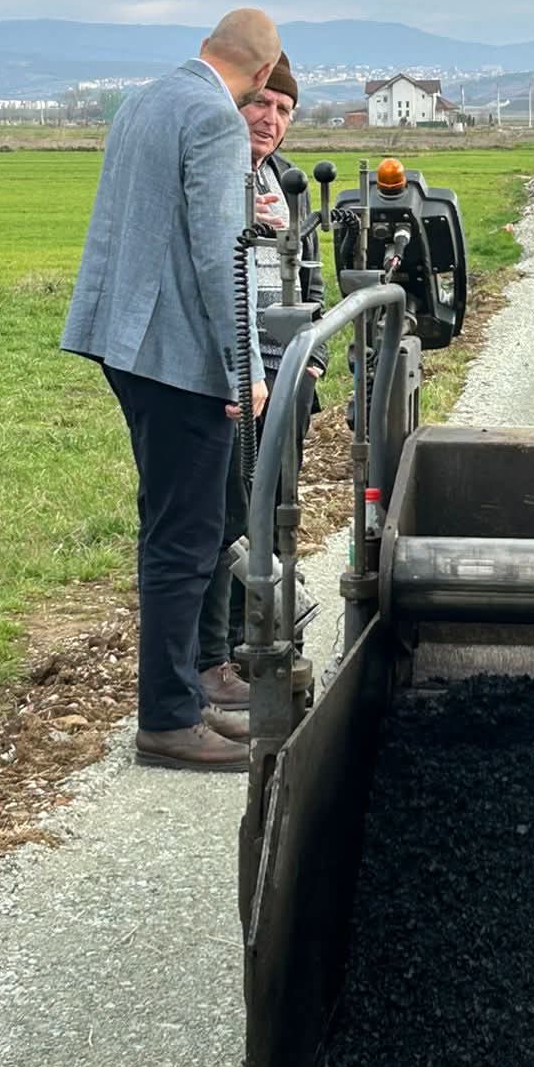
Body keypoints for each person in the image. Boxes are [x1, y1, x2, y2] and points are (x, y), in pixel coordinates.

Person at [61, 8, 281, 771]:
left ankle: (182, 697)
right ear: (260, 75)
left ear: (206, 50)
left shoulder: (146, 101)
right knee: (186, 539)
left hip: (122, 341)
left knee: (168, 526)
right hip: (178, 358)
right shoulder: (217, 121)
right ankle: (167, 720)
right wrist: (243, 368)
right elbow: (221, 254)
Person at [196, 52, 327, 676]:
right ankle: (224, 651)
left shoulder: (289, 184)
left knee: (277, 508)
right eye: (261, 104)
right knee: (226, 519)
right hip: (230, 383)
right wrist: (230, 372)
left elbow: (314, 282)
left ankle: (276, 639)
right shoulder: (214, 179)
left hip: (287, 374)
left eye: (283, 110)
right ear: (236, 104)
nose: (270, 120)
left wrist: (312, 366)